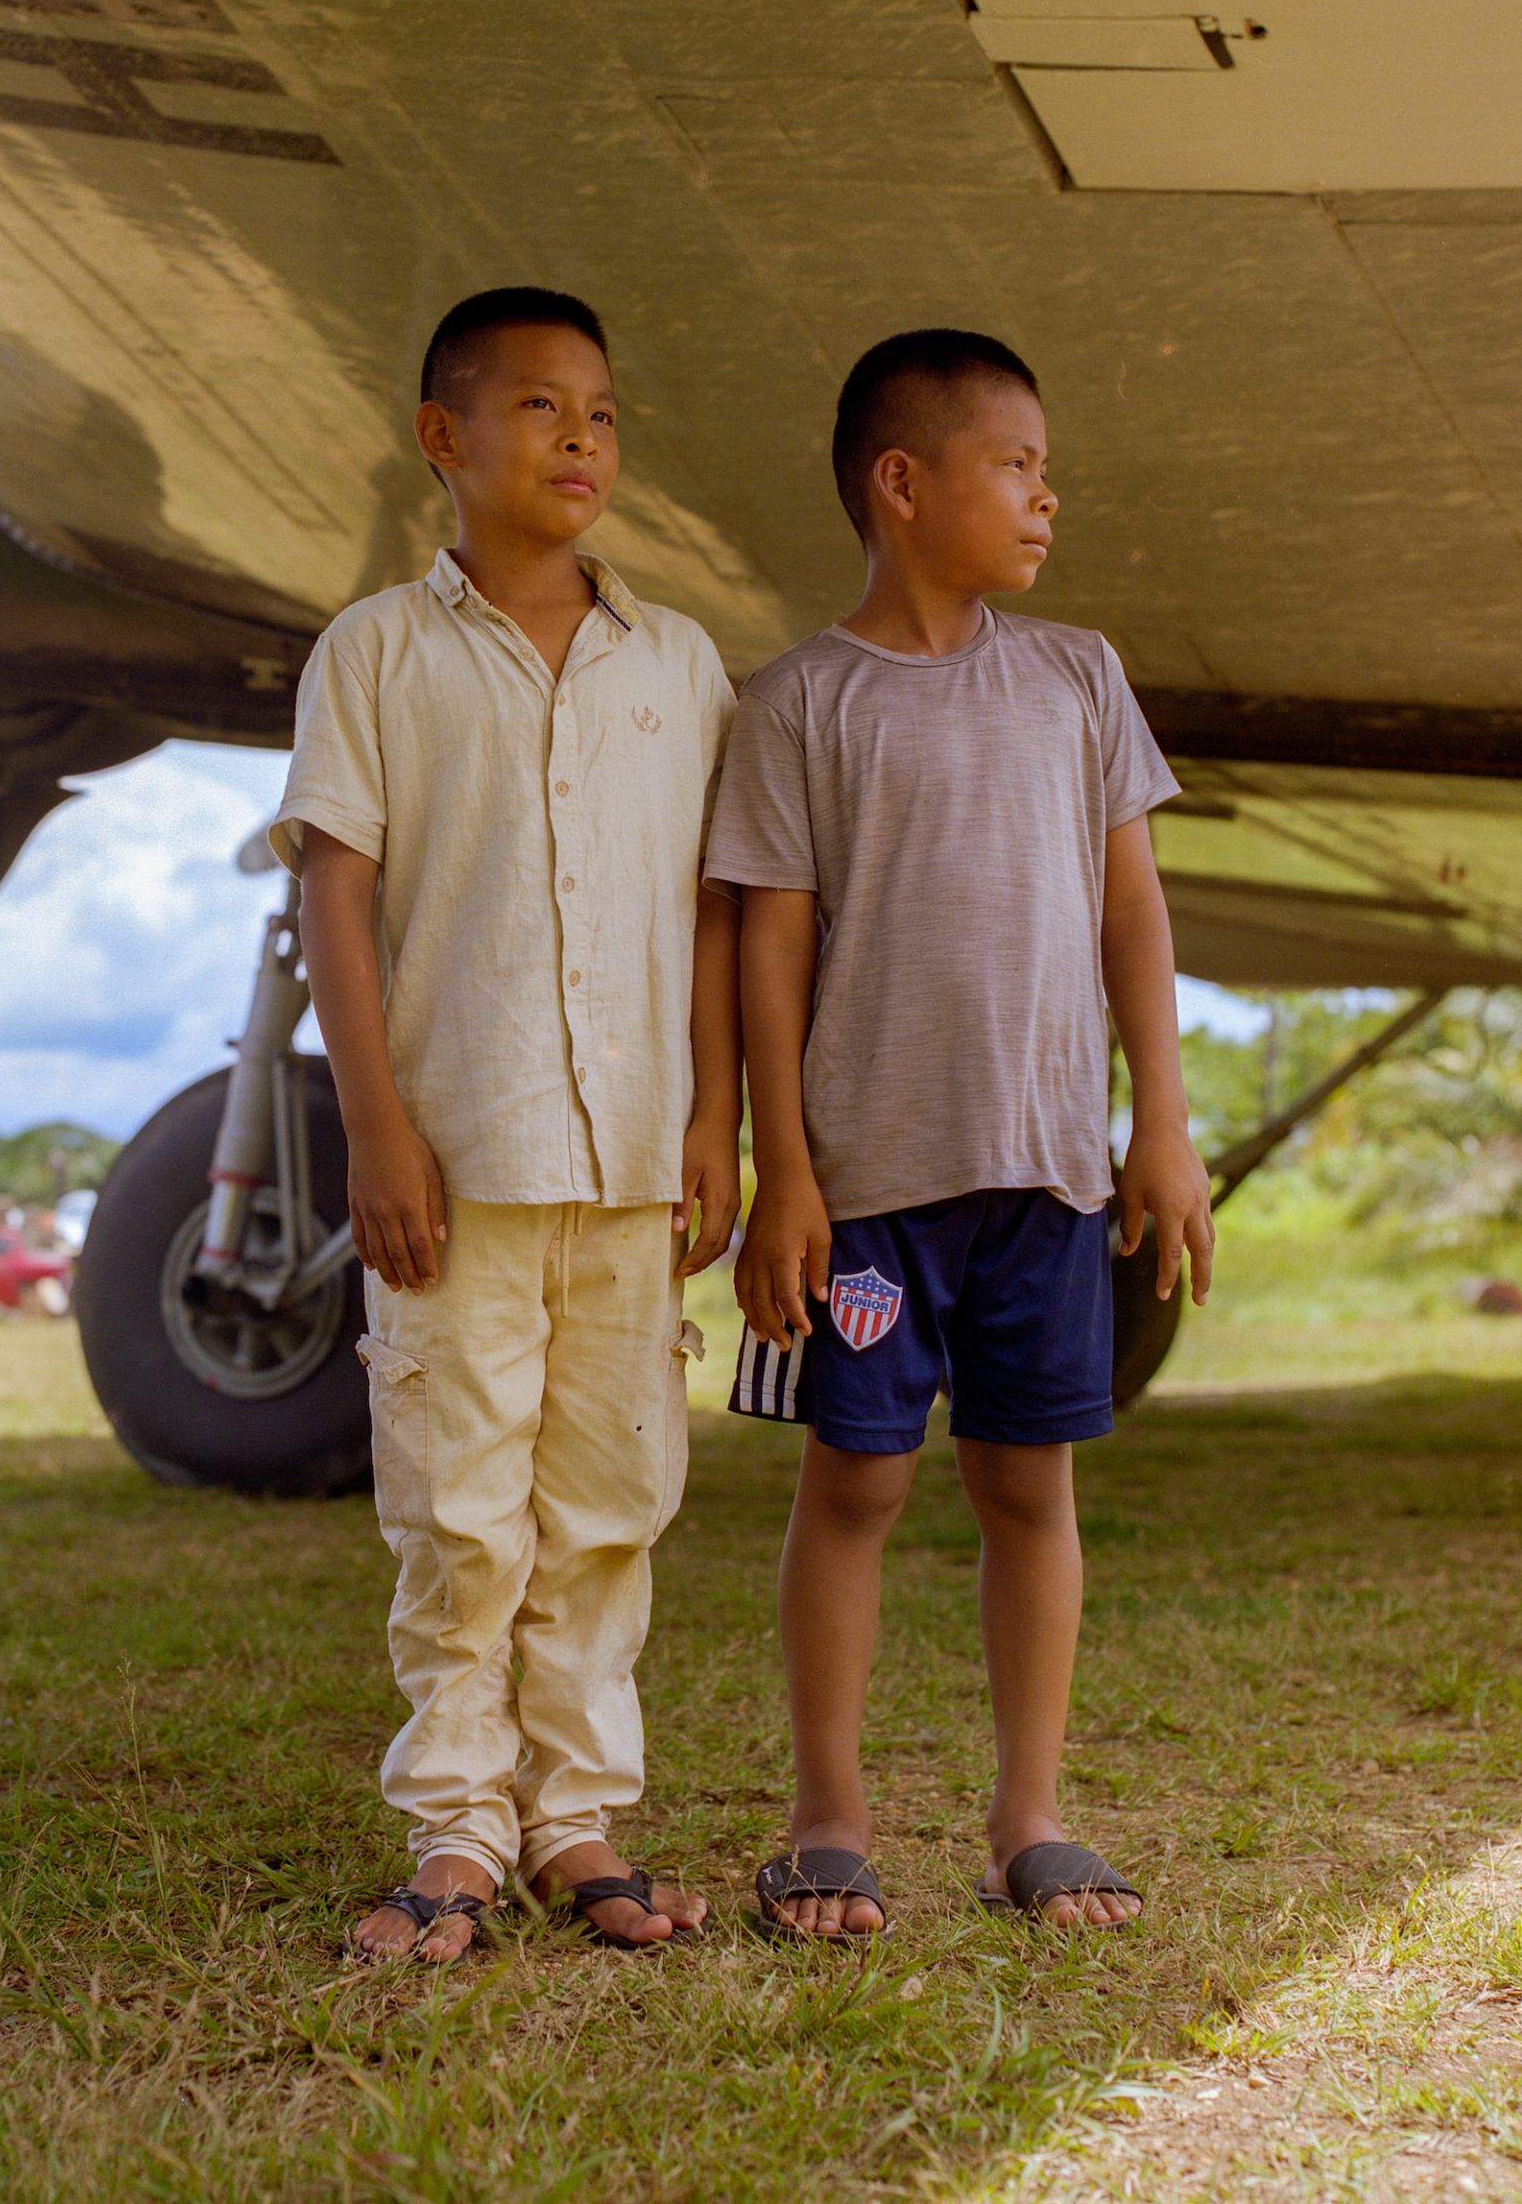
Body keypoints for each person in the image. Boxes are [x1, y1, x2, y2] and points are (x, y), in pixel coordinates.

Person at [706, 327, 1213, 1938]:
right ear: (902, 483)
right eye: (1017, 464)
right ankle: (830, 1818)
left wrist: (1164, 1127)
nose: (1047, 496)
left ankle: (1029, 1818)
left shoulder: (1078, 674)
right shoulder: (795, 701)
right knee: (853, 1489)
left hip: (1051, 1173)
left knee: (1028, 1485)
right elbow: (767, 950)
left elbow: (1134, 909)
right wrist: (781, 1174)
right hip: (869, 1188)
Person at [271, 287, 742, 1961]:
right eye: (540, 407)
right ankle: (458, 1823)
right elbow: (339, 887)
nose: (579, 440)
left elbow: (706, 912)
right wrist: (375, 1127)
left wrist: (718, 1124)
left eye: (602, 414)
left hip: (631, 1155)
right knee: (460, 1502)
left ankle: (580, 1820)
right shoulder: (376, 654)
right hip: (454, 1158)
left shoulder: (678, 667)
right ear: (442, 438)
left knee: (610, 1496)